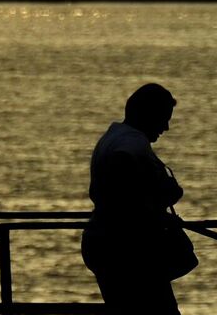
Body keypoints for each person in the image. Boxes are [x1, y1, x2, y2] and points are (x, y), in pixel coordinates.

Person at [82, 83, 185, 315]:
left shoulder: (113, 136)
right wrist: (163, 193)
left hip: (107, 245)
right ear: (149, 114)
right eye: (163, 118)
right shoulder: (133, 144)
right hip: (129, 252)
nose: (166, 127)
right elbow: (123, 171)